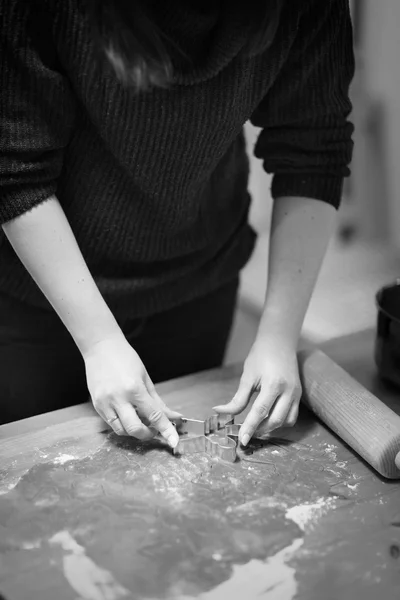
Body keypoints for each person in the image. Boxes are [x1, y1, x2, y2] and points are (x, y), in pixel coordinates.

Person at [0, 0, 354, 449]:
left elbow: (314, 145)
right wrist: (99, 342)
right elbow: (15, 168)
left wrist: (279, 337)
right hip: (37, 299)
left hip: (199, 283)